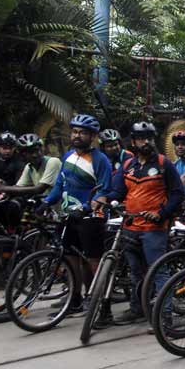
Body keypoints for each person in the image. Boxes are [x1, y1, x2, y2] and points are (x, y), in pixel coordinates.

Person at [107, 122, 185, 324]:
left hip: (154, 229)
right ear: (133, 142)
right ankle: (137, 309)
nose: (146, 142)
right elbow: (118, 191)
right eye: (142, 138)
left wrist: (161, 213)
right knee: (136, 272)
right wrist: (105, 200)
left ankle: (164, 317)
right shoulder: (128, 166)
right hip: (130, 227)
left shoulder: (163, 164)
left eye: (150, 138)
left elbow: (177, 195)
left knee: (158, 272)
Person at [38, 114, 113, 314]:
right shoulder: (68, 156)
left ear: (93, 136)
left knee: (93, 261)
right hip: (68, 216)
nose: (77, 135)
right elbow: (60, 184)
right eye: (75, 131)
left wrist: (88, 207)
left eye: (83, 132)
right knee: (70, 259)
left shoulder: (101, 160)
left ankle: (101, 305)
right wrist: (46, 202)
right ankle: (75, 300)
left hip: (90, 218)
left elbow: (104, 190)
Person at [0, 134, 61, 198]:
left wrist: (3, 188)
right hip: (44, 208)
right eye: (30, 152)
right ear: (22, 155)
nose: (36, 155)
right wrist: (4, 186)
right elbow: (18, 187)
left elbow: (39, 189)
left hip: (60, 209)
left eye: (37, 150)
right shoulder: (29, 167)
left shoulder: (53, 162)